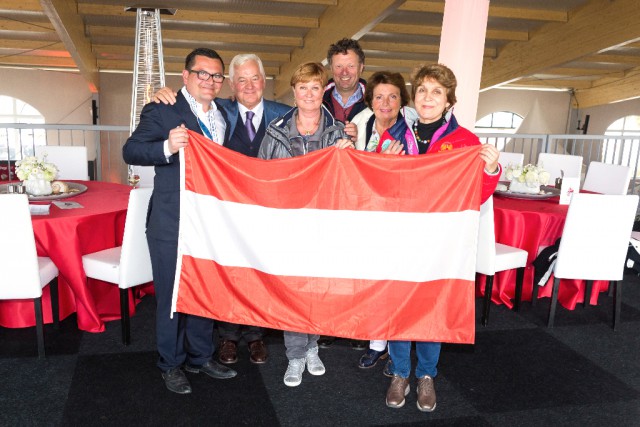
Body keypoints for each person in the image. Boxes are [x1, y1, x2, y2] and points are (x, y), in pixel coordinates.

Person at [152, 54, 290, 365]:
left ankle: (255, 335)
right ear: (231, 84)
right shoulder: (220, 110)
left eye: (255, 78)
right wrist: (161, 93)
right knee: (225, 272)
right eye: (241, 79)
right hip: (223, 213)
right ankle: (228, 335)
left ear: (264, 81)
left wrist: (344, 132)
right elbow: (188, 103)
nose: (249, 85)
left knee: (257, 272)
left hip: (266, 212)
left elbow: (311, 129)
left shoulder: (284, 113)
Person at [384, 63, 500, 412]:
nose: (428, 97)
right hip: (401, 237)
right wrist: (383, 163)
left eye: (437, 91)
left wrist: (492, 169)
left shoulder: (465, 142)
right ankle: (401, 372)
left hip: (441, 242)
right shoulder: (393, 137)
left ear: (449, 100)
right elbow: (376, 191)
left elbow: (476, 194)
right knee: (400, 305)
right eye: (422, 90)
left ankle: (427, 376)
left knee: (432, 307)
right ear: (414, 97)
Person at [123, 47, 237, 395]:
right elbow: (131, 150)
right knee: (172, 295)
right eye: (202, 73)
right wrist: (167, 147)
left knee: (204, 289)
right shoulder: (163, 108)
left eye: (217, 75)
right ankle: (170, 363)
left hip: (209, 222)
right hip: (171, 220)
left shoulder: (226, 114)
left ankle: (200, 356)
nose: (210, 81)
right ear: (185, 76)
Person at [258, 62, 353, 387]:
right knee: (293, 293)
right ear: (294, 92)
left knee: (317, 291)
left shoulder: (339, 132)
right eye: (303, 88)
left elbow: (351, 182)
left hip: (324, 225)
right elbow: (262, 177)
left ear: (323, 91)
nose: (309, 94)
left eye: (315, 87)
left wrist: (348, 154)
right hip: (288, 226)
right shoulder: (275, 131)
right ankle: (296, 356)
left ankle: (313, 347)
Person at [349, 71, 418, 370]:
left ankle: (395, 348)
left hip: (398, 220)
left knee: (394, 284)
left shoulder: (409, 131)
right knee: (373, 282)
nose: (385, 102)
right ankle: (376, 342)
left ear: (401, 100)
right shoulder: (361, 124)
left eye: (392, 96)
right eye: (379, 96)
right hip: (367, 217)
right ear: (370, 100)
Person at [318, 38, 368, 351]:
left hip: (363, 195)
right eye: (338, 66)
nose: (344, 72)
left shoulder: (378, 100)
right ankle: (328, 322)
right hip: (326, 193)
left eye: (350, 65)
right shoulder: (315, 97)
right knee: (328, 260)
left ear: (361, 67)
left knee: (359, 260)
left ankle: (358, 324)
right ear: (331, 69)